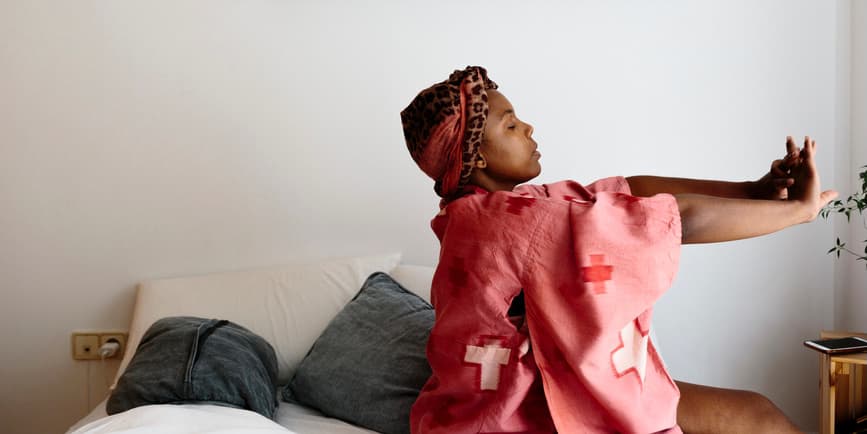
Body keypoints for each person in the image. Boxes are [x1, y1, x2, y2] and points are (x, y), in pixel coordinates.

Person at [400, 66, 836, 434]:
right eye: (510, 125)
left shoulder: (481, 213)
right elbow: (674, 218)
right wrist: (799, 211)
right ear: (476, 157)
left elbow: (631, 191)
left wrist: (752, 191)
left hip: (507, 398)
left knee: (754, 414)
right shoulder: (512, 222)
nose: (528, 128)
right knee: (758, 418)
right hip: (522, 410)